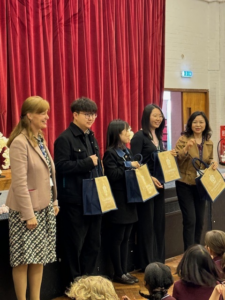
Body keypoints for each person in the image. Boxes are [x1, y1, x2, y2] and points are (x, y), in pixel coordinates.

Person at [6, 96, 59, 300]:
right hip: (25, 212)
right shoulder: (19, 143)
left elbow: (49, 174)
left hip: (43, 208)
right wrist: (28, 215)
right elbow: (19, 183)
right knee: (22, 260)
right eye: (42, 112)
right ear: (29, 115)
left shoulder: (39, 139)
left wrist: (54, 201)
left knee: (39, 258)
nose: (47, 116)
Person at [54, 97, 102, 289]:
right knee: (73, 247)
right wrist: (87, 163)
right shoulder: (64, 139)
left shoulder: (91, 136)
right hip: (74, 201)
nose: (91, 118)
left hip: (94, 199)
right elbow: (60, 167)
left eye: (93, 114)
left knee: (93, 244)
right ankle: (74, 286)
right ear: (75, 114)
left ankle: (88, 283)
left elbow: (98, 165)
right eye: (87, 114)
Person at [130, 104, 176, 269]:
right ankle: (147, 263)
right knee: (147, 224)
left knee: (158, 223)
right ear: (147, 116)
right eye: (155, 115)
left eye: (160, 116)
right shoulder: (139, 137)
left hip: (160, 185)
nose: (158, 119)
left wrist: (167, 156)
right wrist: (149, 177)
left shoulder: (158, 135)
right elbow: (134, 163)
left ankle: (158, 260)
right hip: (145, 186)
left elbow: (158, 159)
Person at [103, 120, 140, 285]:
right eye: (127, 130)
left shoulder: (126, 150)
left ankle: (125, 270)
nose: (129, 133)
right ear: (117, 133)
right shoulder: (110, 153)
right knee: (117, 238)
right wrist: (128, 165)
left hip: (130, 199)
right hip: (118, 201)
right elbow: (113, 175)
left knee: (126, 238)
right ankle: (118, 272)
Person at [175, 111, 218, 251]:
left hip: (201, 185)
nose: (198, 125)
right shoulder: (183, 139)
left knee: (200, 221)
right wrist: (186, 148)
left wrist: (213, 163)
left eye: (201, 122)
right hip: (185, 184)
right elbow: (177, 158)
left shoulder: (209, 141)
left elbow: (209, 159)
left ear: (205, 124)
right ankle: (189, 254)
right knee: (190, 220)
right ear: (190, 124)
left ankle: (197, 251)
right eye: (195, 122)